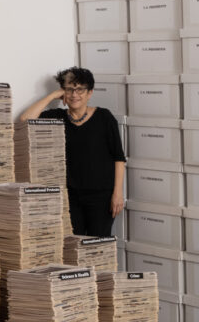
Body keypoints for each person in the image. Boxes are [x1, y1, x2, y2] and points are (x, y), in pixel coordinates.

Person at [20, 67, 126, 238]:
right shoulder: (57, 117)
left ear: (90, 92)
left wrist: (118, 193)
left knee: (97, 246)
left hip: (101, 196)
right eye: (69, 89)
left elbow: (119, 158)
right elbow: (25, 120)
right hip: (70, 196)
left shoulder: (104, 117)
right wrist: (52, 96)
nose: (74, 94)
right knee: (72, 245)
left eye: (80, 89)